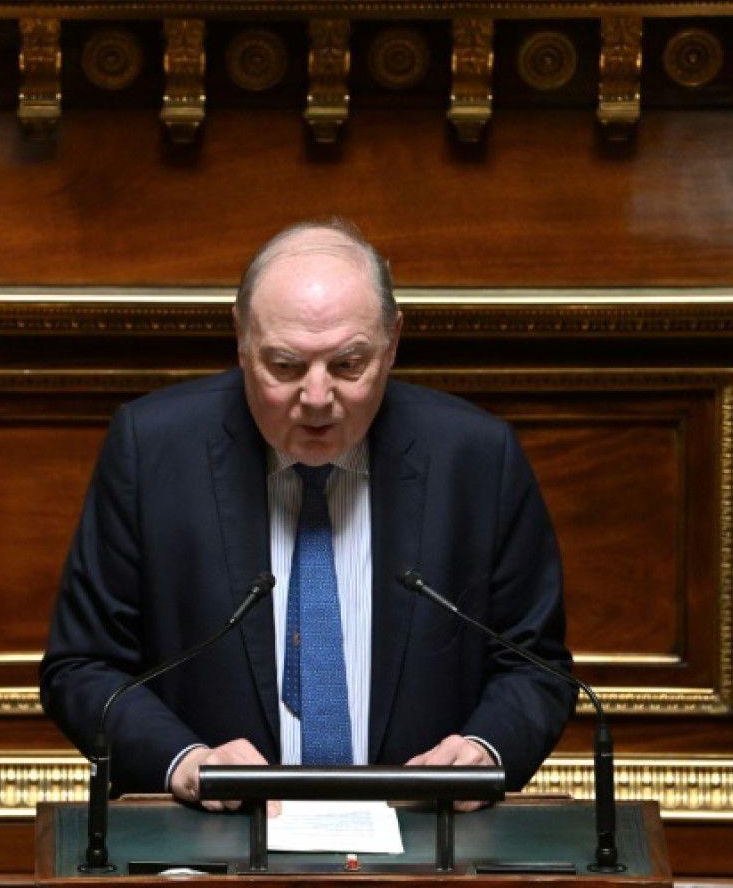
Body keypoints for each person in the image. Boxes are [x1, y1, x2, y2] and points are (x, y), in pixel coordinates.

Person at [39, 218, 576, 812]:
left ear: (393, 341)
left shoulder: (477, 458)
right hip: (214, 847)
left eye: (349, 365)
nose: (317, 399)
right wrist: (183, 760)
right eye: (286, 366)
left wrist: (483, 749)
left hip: (424, 841)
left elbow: (536, 667)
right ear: (241, 339)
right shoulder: (152, 449)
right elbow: (82, 667)